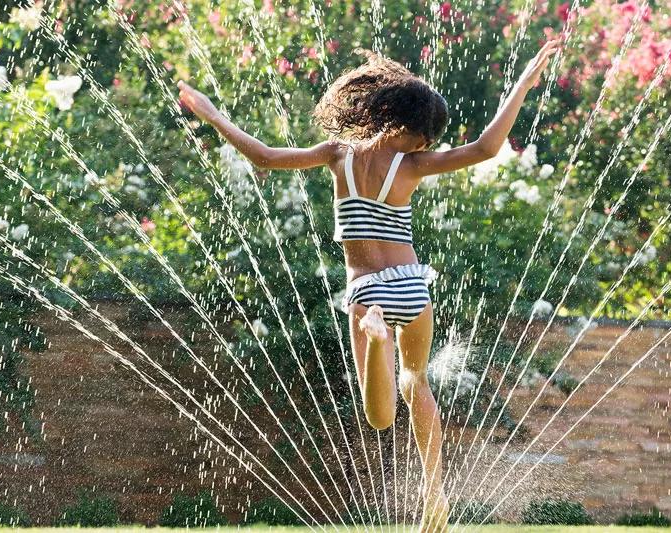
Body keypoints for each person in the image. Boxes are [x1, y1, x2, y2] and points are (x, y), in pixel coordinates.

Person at [177, 36, 559, 532]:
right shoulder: (415, 165)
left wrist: (213, 116)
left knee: (379, 417)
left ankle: (379, 341)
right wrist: (524, 83)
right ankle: (433, 488)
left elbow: (266, 157)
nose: (427, 145)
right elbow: (487, 147)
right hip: (412, 285)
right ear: (408, 127)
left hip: (367, 292)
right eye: (425, 135)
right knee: (416, 381)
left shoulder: (339, 155)